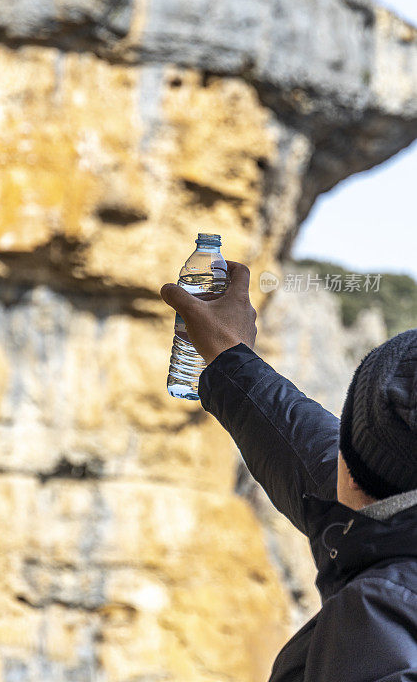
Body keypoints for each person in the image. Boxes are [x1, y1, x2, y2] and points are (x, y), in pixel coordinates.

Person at [160, 260, 417, 682]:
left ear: (349, 475)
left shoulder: (379, 615)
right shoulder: (388, 526)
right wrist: (230, 358)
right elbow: (309, 453)